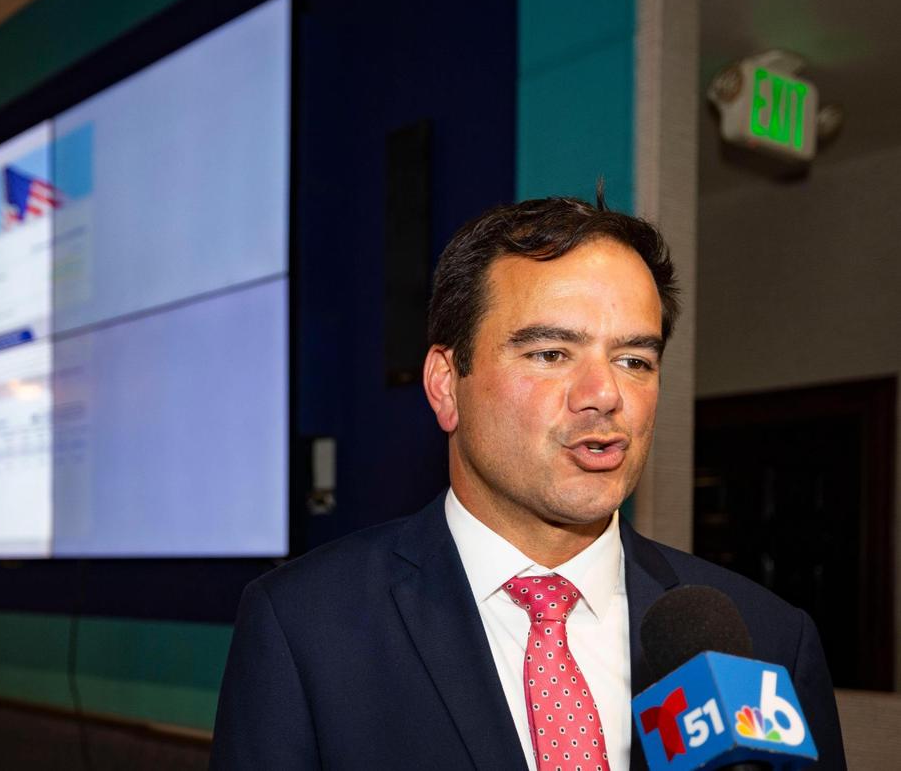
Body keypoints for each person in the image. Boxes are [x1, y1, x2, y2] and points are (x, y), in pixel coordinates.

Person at [210, 193, 845, 770]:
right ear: (445, 384)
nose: (605, 394)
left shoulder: (765, 645)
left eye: (634, 360)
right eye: (550, 354)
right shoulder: (304, 628)